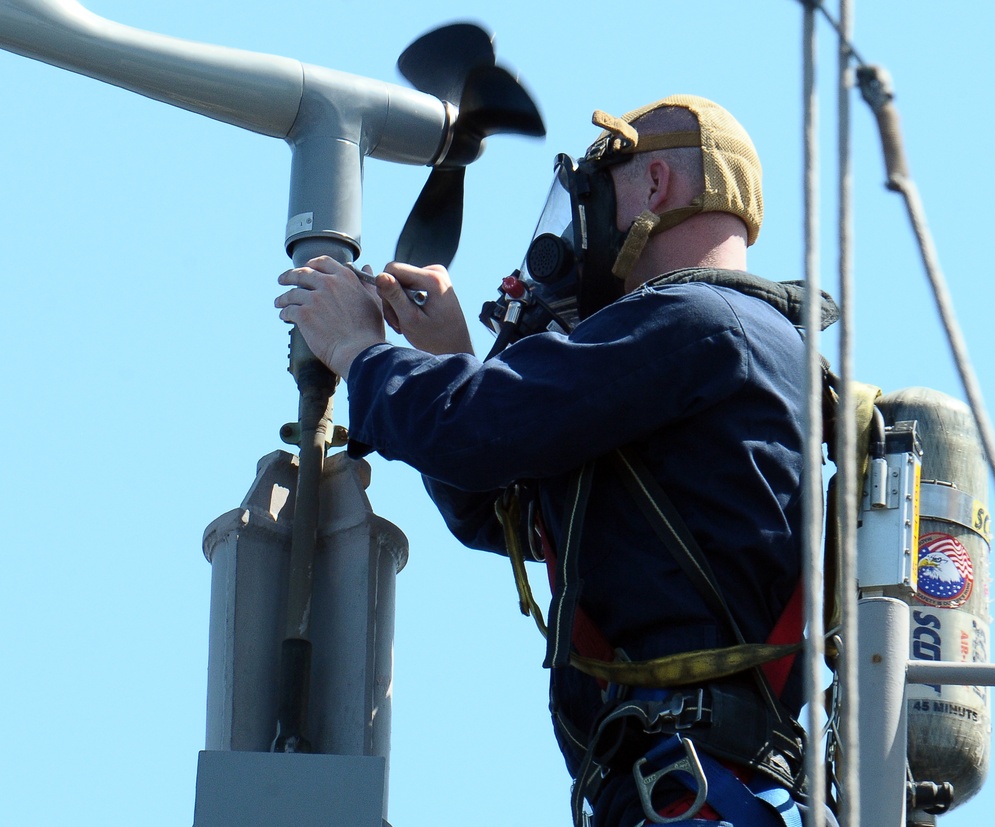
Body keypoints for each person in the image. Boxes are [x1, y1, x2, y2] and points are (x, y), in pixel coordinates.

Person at [276, 95, 838, 827]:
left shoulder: (693, 323)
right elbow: (498, 506)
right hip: (690, 786)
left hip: (689, 787)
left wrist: (359, 350)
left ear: (656, 185)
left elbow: (472, 433)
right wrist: (448, 361)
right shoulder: (749, 347)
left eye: (595, 195)